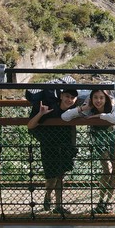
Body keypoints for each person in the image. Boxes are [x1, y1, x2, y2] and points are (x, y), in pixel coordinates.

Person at [62, 88, 115, 214]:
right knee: (107, 169)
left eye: (101, 98)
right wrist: (82, 108)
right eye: (95, 98)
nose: (98, 101)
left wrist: (100, 116)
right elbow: (65, 117)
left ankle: (107, 202)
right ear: (91, 99)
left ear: (106, 99)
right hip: (98, 139)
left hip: (114, 138)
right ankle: (101, 200)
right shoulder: (88, 110)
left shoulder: (112, 107)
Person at [27, 87, 79, 216]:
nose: (70, 100)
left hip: (66, 147)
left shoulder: (74, 111)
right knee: (51, 177)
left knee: (61, 176)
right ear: (61, 96)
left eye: (72, 98)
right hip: (49, 146)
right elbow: (30, 125)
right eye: (67, 96)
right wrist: (41, 113)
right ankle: (48, 195)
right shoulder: (50, 108)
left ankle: (58, 205)